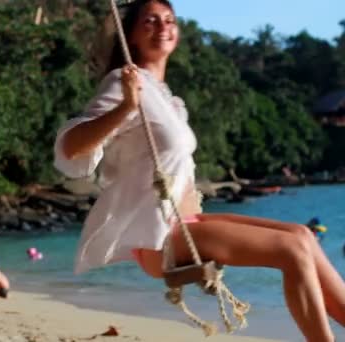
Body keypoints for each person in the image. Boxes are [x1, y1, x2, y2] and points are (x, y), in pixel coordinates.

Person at [53, 1, 345, 341]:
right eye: (150, 21)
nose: (163, 26)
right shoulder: (124, 83)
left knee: (302, 236)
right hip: (160, 236)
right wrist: (127, 107)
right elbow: (73, 146)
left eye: (169, 20)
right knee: (290, 251)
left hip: (188, 223)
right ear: (130, 35)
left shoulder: (168, 99)